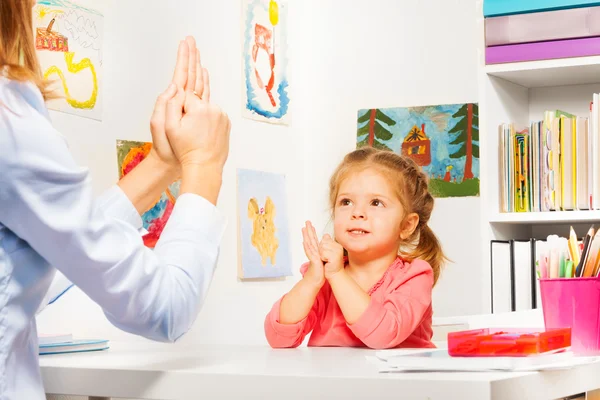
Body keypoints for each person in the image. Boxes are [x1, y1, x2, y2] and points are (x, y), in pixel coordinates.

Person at [0, 0, 231, 398]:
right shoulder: (10, 120)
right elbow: (165, 308)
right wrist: (204, 164)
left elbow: (31, 263)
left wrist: (162, 164)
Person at [264, 147, 447, 349]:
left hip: (396, 381)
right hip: (335, 380)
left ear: (406, 225)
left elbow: (383, 336)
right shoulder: (323, 278)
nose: (357, 212)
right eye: (346, 201)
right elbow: (279, 338)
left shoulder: (414, 276)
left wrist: (336, 275)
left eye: (376, 203)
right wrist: (312, 281)